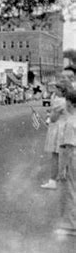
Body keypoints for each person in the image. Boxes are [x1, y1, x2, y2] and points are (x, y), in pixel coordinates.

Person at [55, 89, 76, 236]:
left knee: (71, 190)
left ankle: (72, 225)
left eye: (67, 102)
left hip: (73, 156)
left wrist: (62, 167)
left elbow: (69, 146)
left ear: (71, 104)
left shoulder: (70, 122)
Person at [41, 83, 67, 189]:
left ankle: (52, 181)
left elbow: (53, 118)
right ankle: (64, 176)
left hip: (58, 130)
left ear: (61, 91)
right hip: (67, 128)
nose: (54, 91)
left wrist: (49, 116)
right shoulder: (68, 101)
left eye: (56, 89)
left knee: (55, 156)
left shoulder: (59, 101)